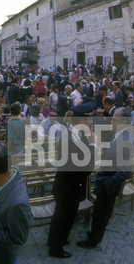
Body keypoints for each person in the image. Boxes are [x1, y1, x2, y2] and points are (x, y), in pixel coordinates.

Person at [77, 107, 134, 248]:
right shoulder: (121, 134)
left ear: (125, 122)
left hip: (109, 186)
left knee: (102, 214)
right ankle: (94, 233)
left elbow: (126, 171)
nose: (112, 122)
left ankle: (94, 241)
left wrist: (106, 185)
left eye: (115, 120)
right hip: (106, 182)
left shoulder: (126, 140)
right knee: (98, 212)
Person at [47, 106, 94, 258]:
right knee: (65, 218)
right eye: (89, 119)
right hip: (70, 187)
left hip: (65, 184)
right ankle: (56, 249)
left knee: (60, 216)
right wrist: (93, 145)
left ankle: (54, 241)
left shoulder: (72, 133)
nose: (92, 121)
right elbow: (87, 167)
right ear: (82, 120)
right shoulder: (75, 138)